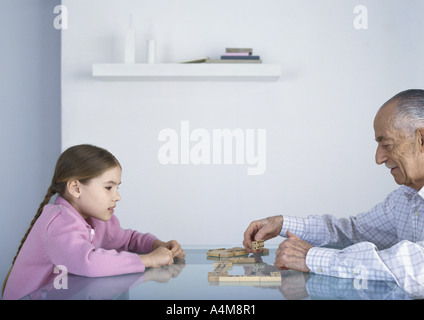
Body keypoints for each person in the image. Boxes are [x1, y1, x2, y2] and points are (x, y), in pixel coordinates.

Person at [243, 89, 424, 298]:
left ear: (422, 139)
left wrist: (312, 258)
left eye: (386, 145)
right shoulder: (405, 198)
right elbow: (352, 231)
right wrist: (282, 223)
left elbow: (415, 268)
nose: (379, 158)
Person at [2, 144, 185, 300]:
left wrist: (157, 245)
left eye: (117, 187)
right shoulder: (58, 222)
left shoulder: (99, 220)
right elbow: (89, 262)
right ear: (75, 188)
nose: (118, 196)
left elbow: (127, 239)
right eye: (108, 187)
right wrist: (148, 259)